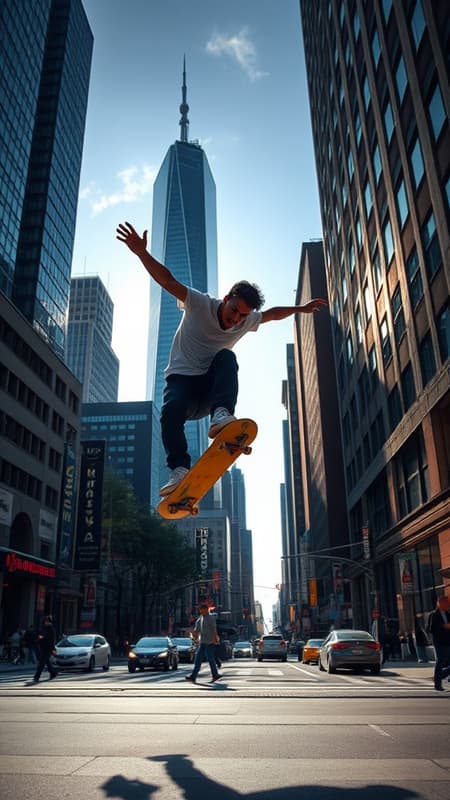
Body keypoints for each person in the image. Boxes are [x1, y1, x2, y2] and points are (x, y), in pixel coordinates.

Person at [116, 222, 328, 496]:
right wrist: (141, 253)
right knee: (170, 412)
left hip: (209, 393)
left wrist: (301, 308)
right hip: (182, 384)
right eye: (234, 310)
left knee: (227, 357)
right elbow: (167, 281)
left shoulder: (246, 320)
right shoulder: (199, 302)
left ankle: (222, 415)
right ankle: (179, 470)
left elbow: (272, 314)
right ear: (226, 298)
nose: (235, 319)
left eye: (242, 315)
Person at [185, 603, 221, 683]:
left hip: (209, 642)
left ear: (206, 609)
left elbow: (213, 629)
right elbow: (196, 631)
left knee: (210, 658)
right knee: (198, 659)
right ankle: (194, 676)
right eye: (200, 609)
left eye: (201, 609)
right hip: (202, 642)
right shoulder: (200, 618)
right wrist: (192, 634)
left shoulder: (211, 618)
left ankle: (215, 674)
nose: (200, 611)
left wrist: (215, 638)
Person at [428, 596, 450, 691]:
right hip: (440, 642)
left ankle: (439, 676)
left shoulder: (448, 614)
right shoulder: (434, 615)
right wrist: (443, 627)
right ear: (440, 603)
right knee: (440, 661)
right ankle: (438, 683)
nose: (448, 605)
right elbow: (431, 629)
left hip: (448, 641)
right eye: (446, 603)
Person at [33, 615, 58, 683]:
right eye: (46, 621)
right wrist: (38, 639)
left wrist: (53, 648)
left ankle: (36, 676)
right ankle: (53, 673)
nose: (46, 622)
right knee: (47, 662)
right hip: (43, 647)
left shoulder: (51, 629)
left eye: (48, 621)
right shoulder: (43, 629)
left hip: (48, 648)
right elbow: (40, 636)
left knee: (42, 663)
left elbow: (52, 640)